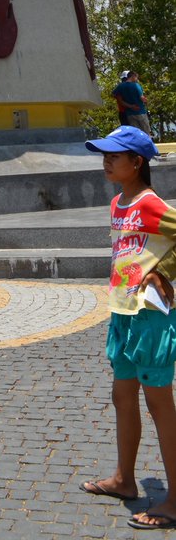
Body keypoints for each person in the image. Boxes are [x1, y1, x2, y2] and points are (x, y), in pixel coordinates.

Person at [80, 125, 176, 529]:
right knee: (122, 395)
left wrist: (165, 271)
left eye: (114, 155)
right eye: (104, 154)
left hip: (150, 317)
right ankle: (124, 478)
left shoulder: (152, 203)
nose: (106, 161)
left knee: (159, 404)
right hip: (121, 312)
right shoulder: (119, 201)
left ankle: (175, 497)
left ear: (136, 162)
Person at [113, 70, 152, 135]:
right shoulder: (136, 85)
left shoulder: (120, 87)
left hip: (128, 113)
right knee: (146, 132)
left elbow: (119, 100)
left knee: (135, 133)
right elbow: (142, 98)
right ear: (132, 76)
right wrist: (146, 101)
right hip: (139, 111)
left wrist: (130, 106)